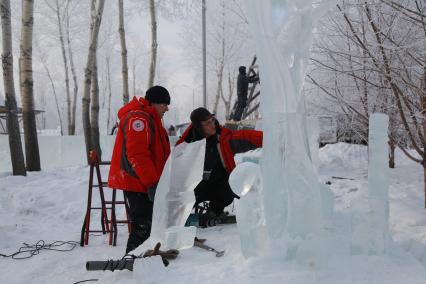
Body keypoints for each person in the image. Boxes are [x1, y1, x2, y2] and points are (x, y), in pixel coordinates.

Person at [108, 85, 171, 254]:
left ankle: (145, 255)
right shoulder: (140, 120)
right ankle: (132, 258)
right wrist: (152, 182)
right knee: (143, 224)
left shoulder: (150, 119)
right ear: (154, 103)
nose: (167, 108)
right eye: (164, 104)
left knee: (149, 223)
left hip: (143, 180)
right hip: (137, 181)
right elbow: (137, 154)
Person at [176, 107, 262, 226]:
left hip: (218, 185)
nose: (212, 125)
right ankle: (181, 217)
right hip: (195, 187)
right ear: (198, 127)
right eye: (207, 123)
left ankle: (214, 212)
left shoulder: (222, 139)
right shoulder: (186, 146)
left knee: (229, 188)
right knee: (180, 200)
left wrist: (268, 138)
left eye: (212, 120)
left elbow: (246, 137)